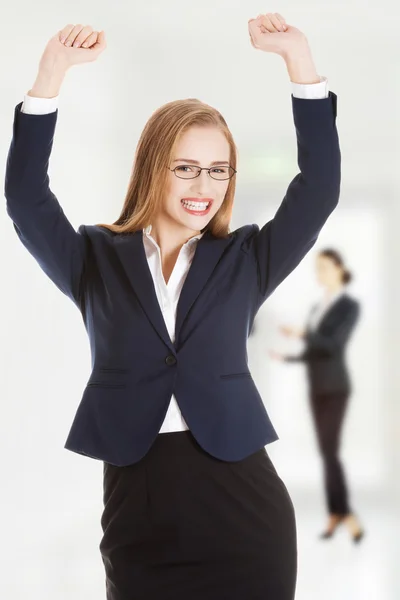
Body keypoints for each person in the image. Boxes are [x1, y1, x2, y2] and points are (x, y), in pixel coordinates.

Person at [4, 13, 341, 600]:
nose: (203, 186)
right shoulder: (94, 259)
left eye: (217, 170)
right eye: (185, 167)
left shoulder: (247, 258)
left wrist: (300, 64)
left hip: (245, 512)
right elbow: (26, 199)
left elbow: (319, 188)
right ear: (152, 169)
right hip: (140, 511)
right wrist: (50, 74)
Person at [271, 249, 364, 544]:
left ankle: (344, 513)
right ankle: (336, 511)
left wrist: (302, 334)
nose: (320, 273)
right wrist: (289, 359)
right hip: (316, 386)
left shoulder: (349, 305)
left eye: (325, 267)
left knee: (330, 452)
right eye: (317, 268)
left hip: (336, 387)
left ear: (339, 268)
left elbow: (334, 346)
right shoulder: (316, 307)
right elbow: (315, 351)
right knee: (326, 453)